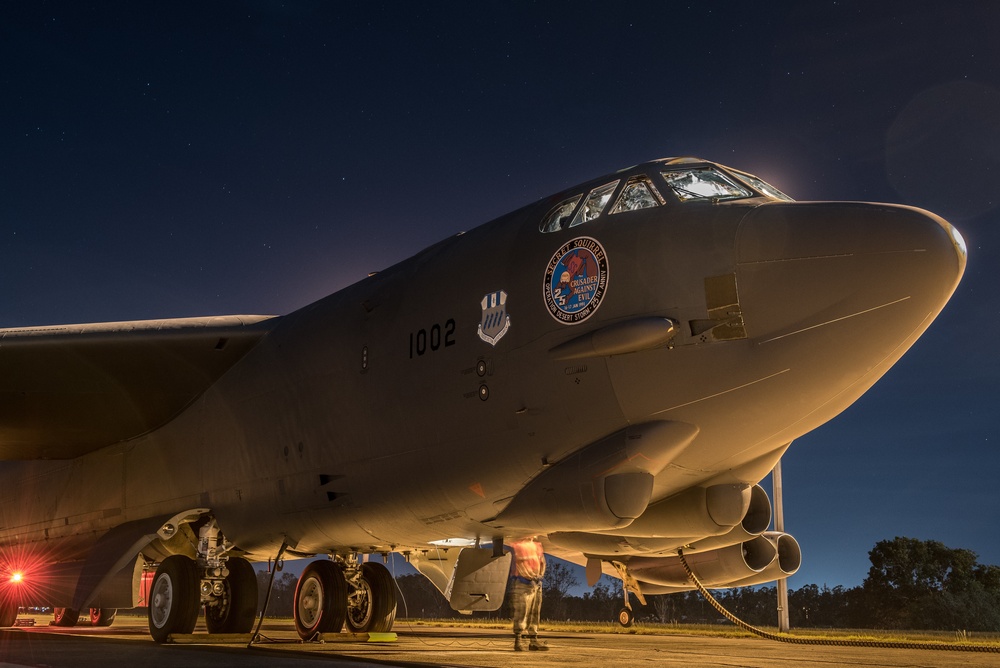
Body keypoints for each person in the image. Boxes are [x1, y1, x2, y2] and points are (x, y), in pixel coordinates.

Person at [508, 536, 549, 651]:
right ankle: (518, 640)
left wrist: (540, 576)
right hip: (523, 583)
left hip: (536, 583)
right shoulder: (520, 546)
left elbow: (542, 562)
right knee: (522, 612)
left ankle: (533, 641)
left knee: (535, 612)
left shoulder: (537, 546)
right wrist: (530, 577)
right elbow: (521, 565)